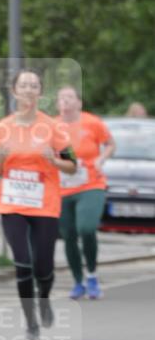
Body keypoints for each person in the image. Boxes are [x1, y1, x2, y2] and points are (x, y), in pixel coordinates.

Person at [0, 70, 76, 340]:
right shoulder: (2, 128)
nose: (28, 90)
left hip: (44, 203)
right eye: (23, 85)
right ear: (15, 92)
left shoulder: (54, 127)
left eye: (33, 86)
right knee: (22, 263)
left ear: (40, 93)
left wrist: (55, 161)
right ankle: (30, 321)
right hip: (12, 202)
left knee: (43, 265)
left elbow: (72, 167)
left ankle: (44, 298)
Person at [55, 86, 115, 299]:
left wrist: (101, 158)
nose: (66, 102)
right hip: (63, 187)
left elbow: (110, 144)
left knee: (86, 228)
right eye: (62, 98)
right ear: (57, 104)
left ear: (79, 103)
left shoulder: (92, 122)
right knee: (68, 234)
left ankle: (92, 274)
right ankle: (78, 281)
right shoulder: (53, 127)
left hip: (91, 183)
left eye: (70, 98)